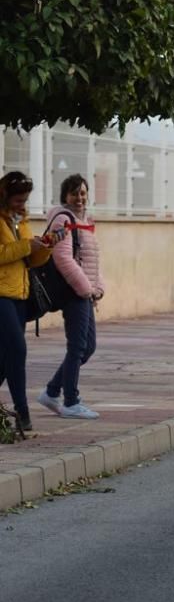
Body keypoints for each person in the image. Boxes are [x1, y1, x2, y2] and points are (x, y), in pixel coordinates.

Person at [34, 175, 104, 421]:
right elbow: (63, 259)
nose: (80, 198)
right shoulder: (63, 219)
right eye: (74, 193)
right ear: (65, 196)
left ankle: (52, 392)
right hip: (73, 292)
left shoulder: (86, 220)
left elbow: (92, 257)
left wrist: (99, 287)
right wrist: (86, 289)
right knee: (77, 347)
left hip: (84, 292)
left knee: (88, 347)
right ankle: (71, 401)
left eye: (83, 193)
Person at [0, 172, 62, 433]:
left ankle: (20, 412)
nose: (21, 204)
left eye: (24, 199)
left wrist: (45, 247)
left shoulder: (22, 221)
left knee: (5, 360)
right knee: (17, 350)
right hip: (1, 294)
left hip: (20, 295)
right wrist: (27, 245)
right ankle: (22, 412)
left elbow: (32, 261)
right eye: (17, 199)